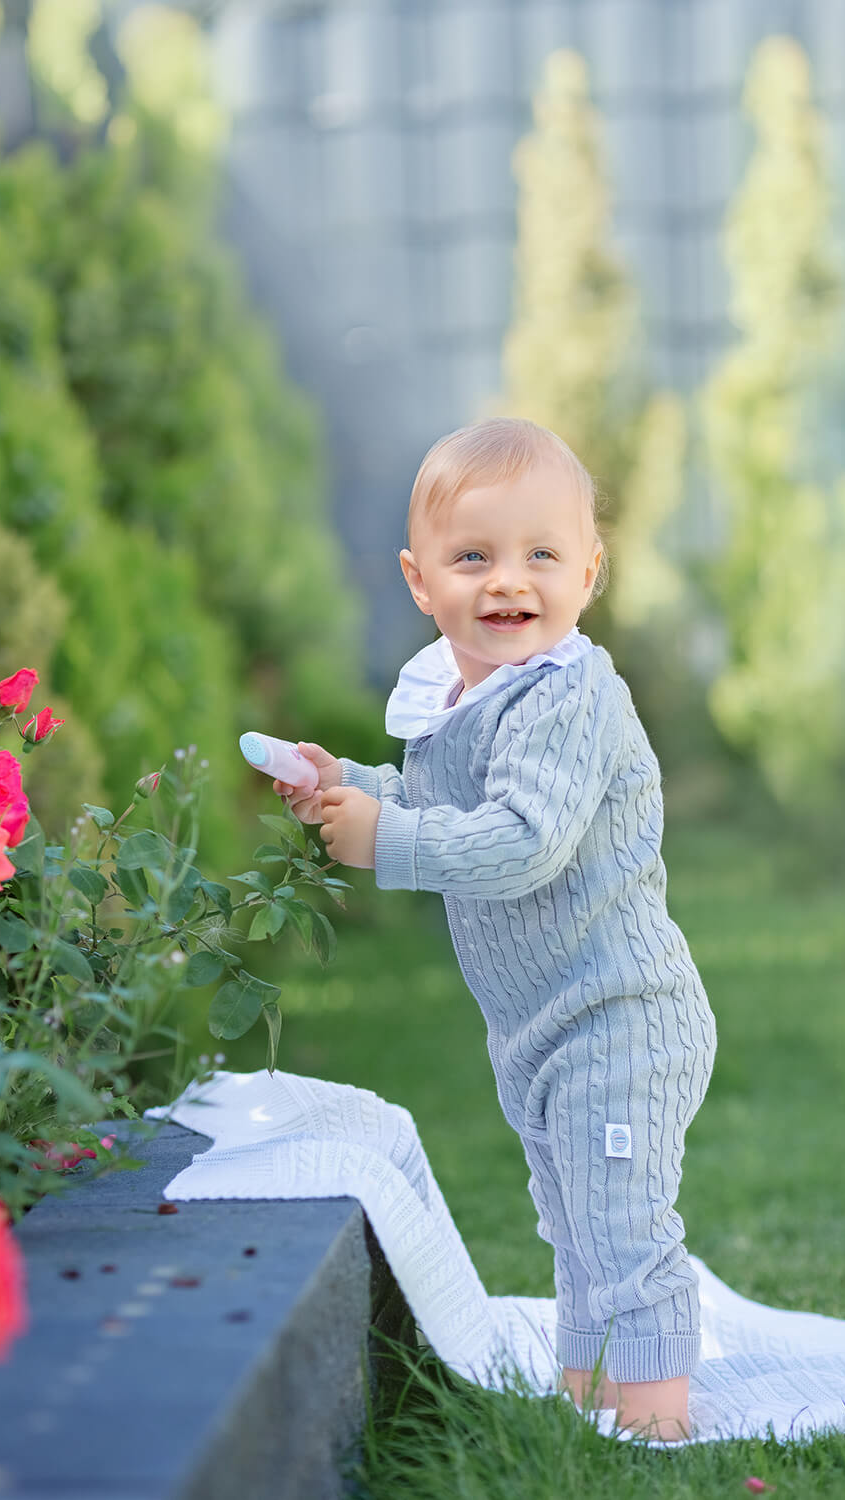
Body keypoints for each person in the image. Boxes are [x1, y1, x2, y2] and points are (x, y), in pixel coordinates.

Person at [272, 416, 717, 1443]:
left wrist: (386, 841)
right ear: (420, 581)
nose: (507, 581)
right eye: (472, 556)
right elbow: (441, 797)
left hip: (619, 1017)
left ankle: (654, 1429)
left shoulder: (569, 697)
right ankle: (589, 1394)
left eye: (540, 556)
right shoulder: (457, 698)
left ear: (588, 574)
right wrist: (351, 790)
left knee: (620, 1225)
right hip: (538, 1027)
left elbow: (520, 841)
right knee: (571, 1220)